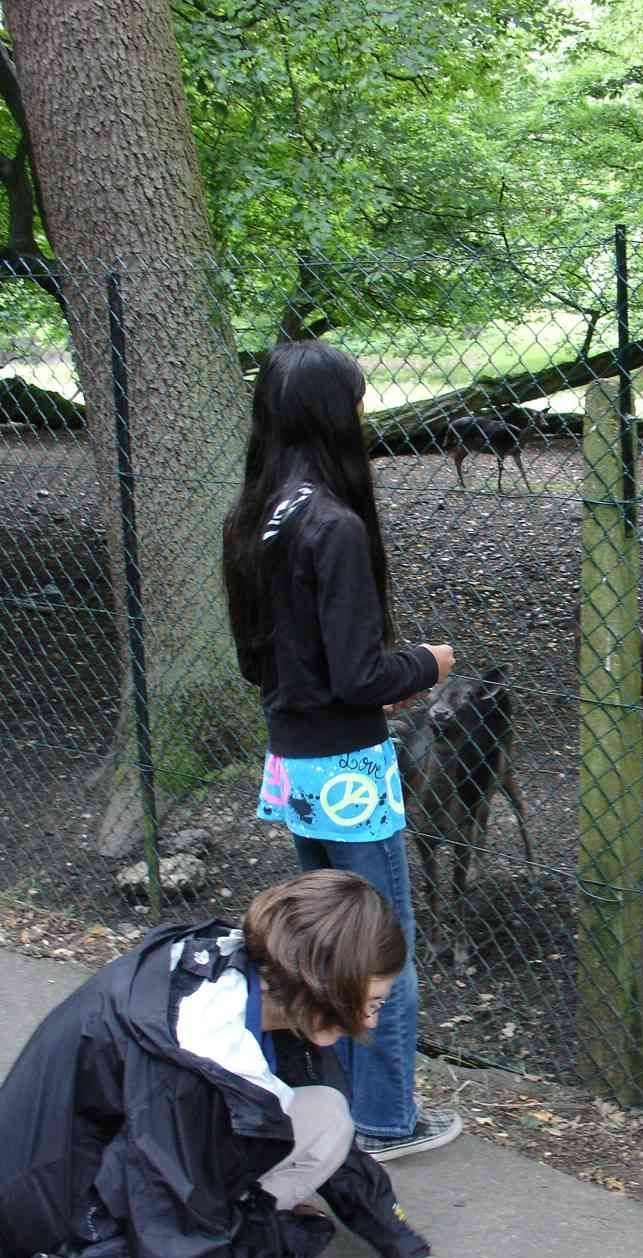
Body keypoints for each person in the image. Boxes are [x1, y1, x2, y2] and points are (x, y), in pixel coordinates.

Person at [0, 869, 489, 1258]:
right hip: (57, 1220)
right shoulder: (192, 1062)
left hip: (112, 1156)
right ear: (328, 990)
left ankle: (241, 1233)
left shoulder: (266, 980)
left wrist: (409, 1253)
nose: (372, 1021)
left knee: (327, 1117)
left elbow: (331, 1145)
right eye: (374, 1003)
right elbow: (176, 1248)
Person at [222, 339, 460, 1160]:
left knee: (325, 940)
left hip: (293, 763)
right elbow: (361, 674)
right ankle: (388, 1120)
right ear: (332, 415)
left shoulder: (257, 516)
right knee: (378, 947)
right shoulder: (335, 523)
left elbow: (269, 656)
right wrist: (426, 664)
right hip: (352, 772)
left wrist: (355, 681)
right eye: (356, 403)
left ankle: (343, 1108)